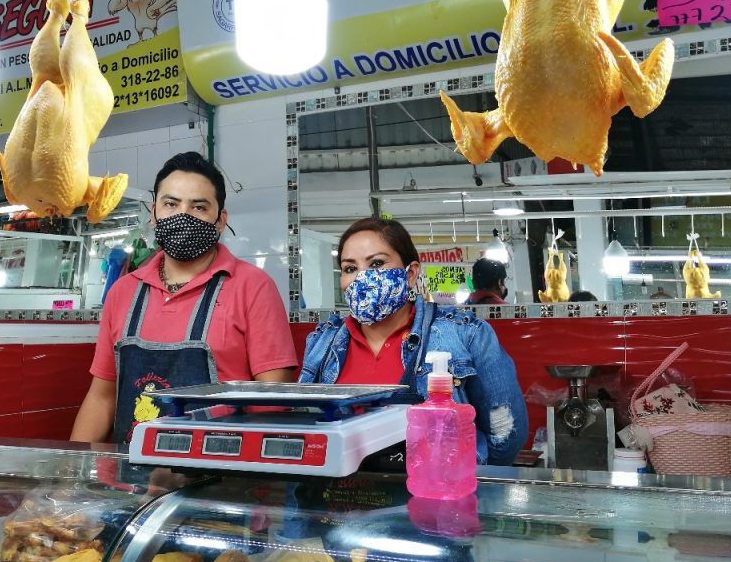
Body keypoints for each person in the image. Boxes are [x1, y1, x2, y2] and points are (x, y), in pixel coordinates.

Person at [72, 151, 298, 446]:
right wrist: (73, 468)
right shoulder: (123, 292)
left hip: (219, 469)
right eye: (171, 204)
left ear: (220, 220)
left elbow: (272, 405)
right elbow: (102, 399)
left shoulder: (253, 288)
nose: (183, 215)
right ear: (154, 212)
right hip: (132, 469)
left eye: (199, 207)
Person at [299, 218, 528, 465]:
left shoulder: (467, 334)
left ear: (410, 274)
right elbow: (305, 430)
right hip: (340, 488)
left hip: (436, 487)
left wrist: (461, 477)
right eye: (349, 268)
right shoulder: (322, 342)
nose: (361, 278)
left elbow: (506, 435)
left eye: (376, 264)